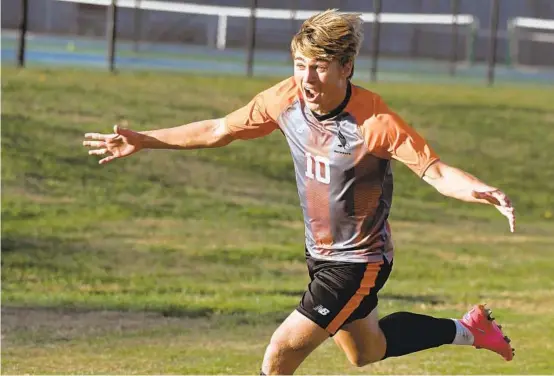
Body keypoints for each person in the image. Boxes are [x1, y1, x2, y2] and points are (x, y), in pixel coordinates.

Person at [83, 9, 516, 375]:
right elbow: (218, 130)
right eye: (299, 63)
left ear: (346, 67)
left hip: (358, 262)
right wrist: (145, 139)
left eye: (318, 66)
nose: (306, 78)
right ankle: (470, 330)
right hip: (320, 255)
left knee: (279, 354)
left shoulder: (375, 122)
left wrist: (481, 190)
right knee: (367, 351)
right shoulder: (285, 99)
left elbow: (436, 172)